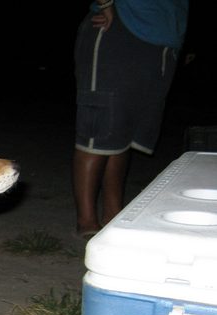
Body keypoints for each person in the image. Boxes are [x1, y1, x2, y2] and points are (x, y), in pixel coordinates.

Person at [72, 0, 189, 239]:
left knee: (123, 133)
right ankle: (86, 220)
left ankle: (114, 215)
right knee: (99, 130)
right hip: (120, 27)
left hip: (162, 39)